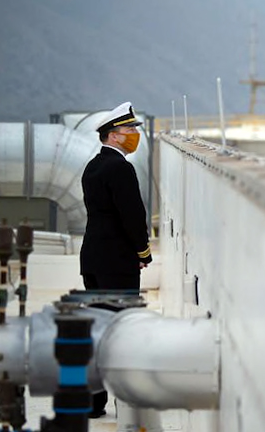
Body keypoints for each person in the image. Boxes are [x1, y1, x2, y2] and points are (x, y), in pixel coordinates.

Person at [80, 101, 152, 418]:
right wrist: (143, 251)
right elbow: (132, 216)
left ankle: (92, 402)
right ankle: (127, 398)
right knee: (120, 331)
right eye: (130, 129)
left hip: (93, 258)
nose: (135, 133)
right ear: (113, 135)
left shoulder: (93, 167)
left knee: (98, 329)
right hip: (117, 263)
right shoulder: (121, 168)